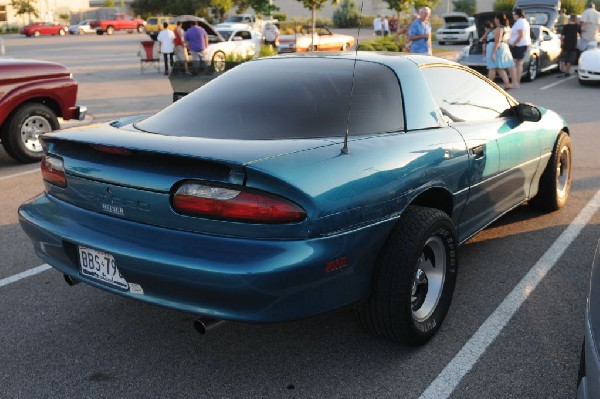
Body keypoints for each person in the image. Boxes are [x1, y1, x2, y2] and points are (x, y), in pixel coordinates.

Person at [486, 13, 514, 90]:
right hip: (502, 47)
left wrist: (493, 52)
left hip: (495, 48)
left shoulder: (499, 29)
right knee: (499, 68)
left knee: (492, 67)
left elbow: (497, 40)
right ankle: (507, 83)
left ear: (498, 19)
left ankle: (489, 84)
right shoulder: (507, 28)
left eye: (495, 18)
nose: (494, 20)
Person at [508, 8, 531, 88]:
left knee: (514, 63)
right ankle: (517, 82)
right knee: (518, 63)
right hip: (521, 45)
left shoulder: (521, 22)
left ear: (517, 14)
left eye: (514, 14)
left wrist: (513, 43)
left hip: (519, 45)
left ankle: (516, 82)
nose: (513, 16)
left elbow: (521, 35)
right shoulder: (521, 21)